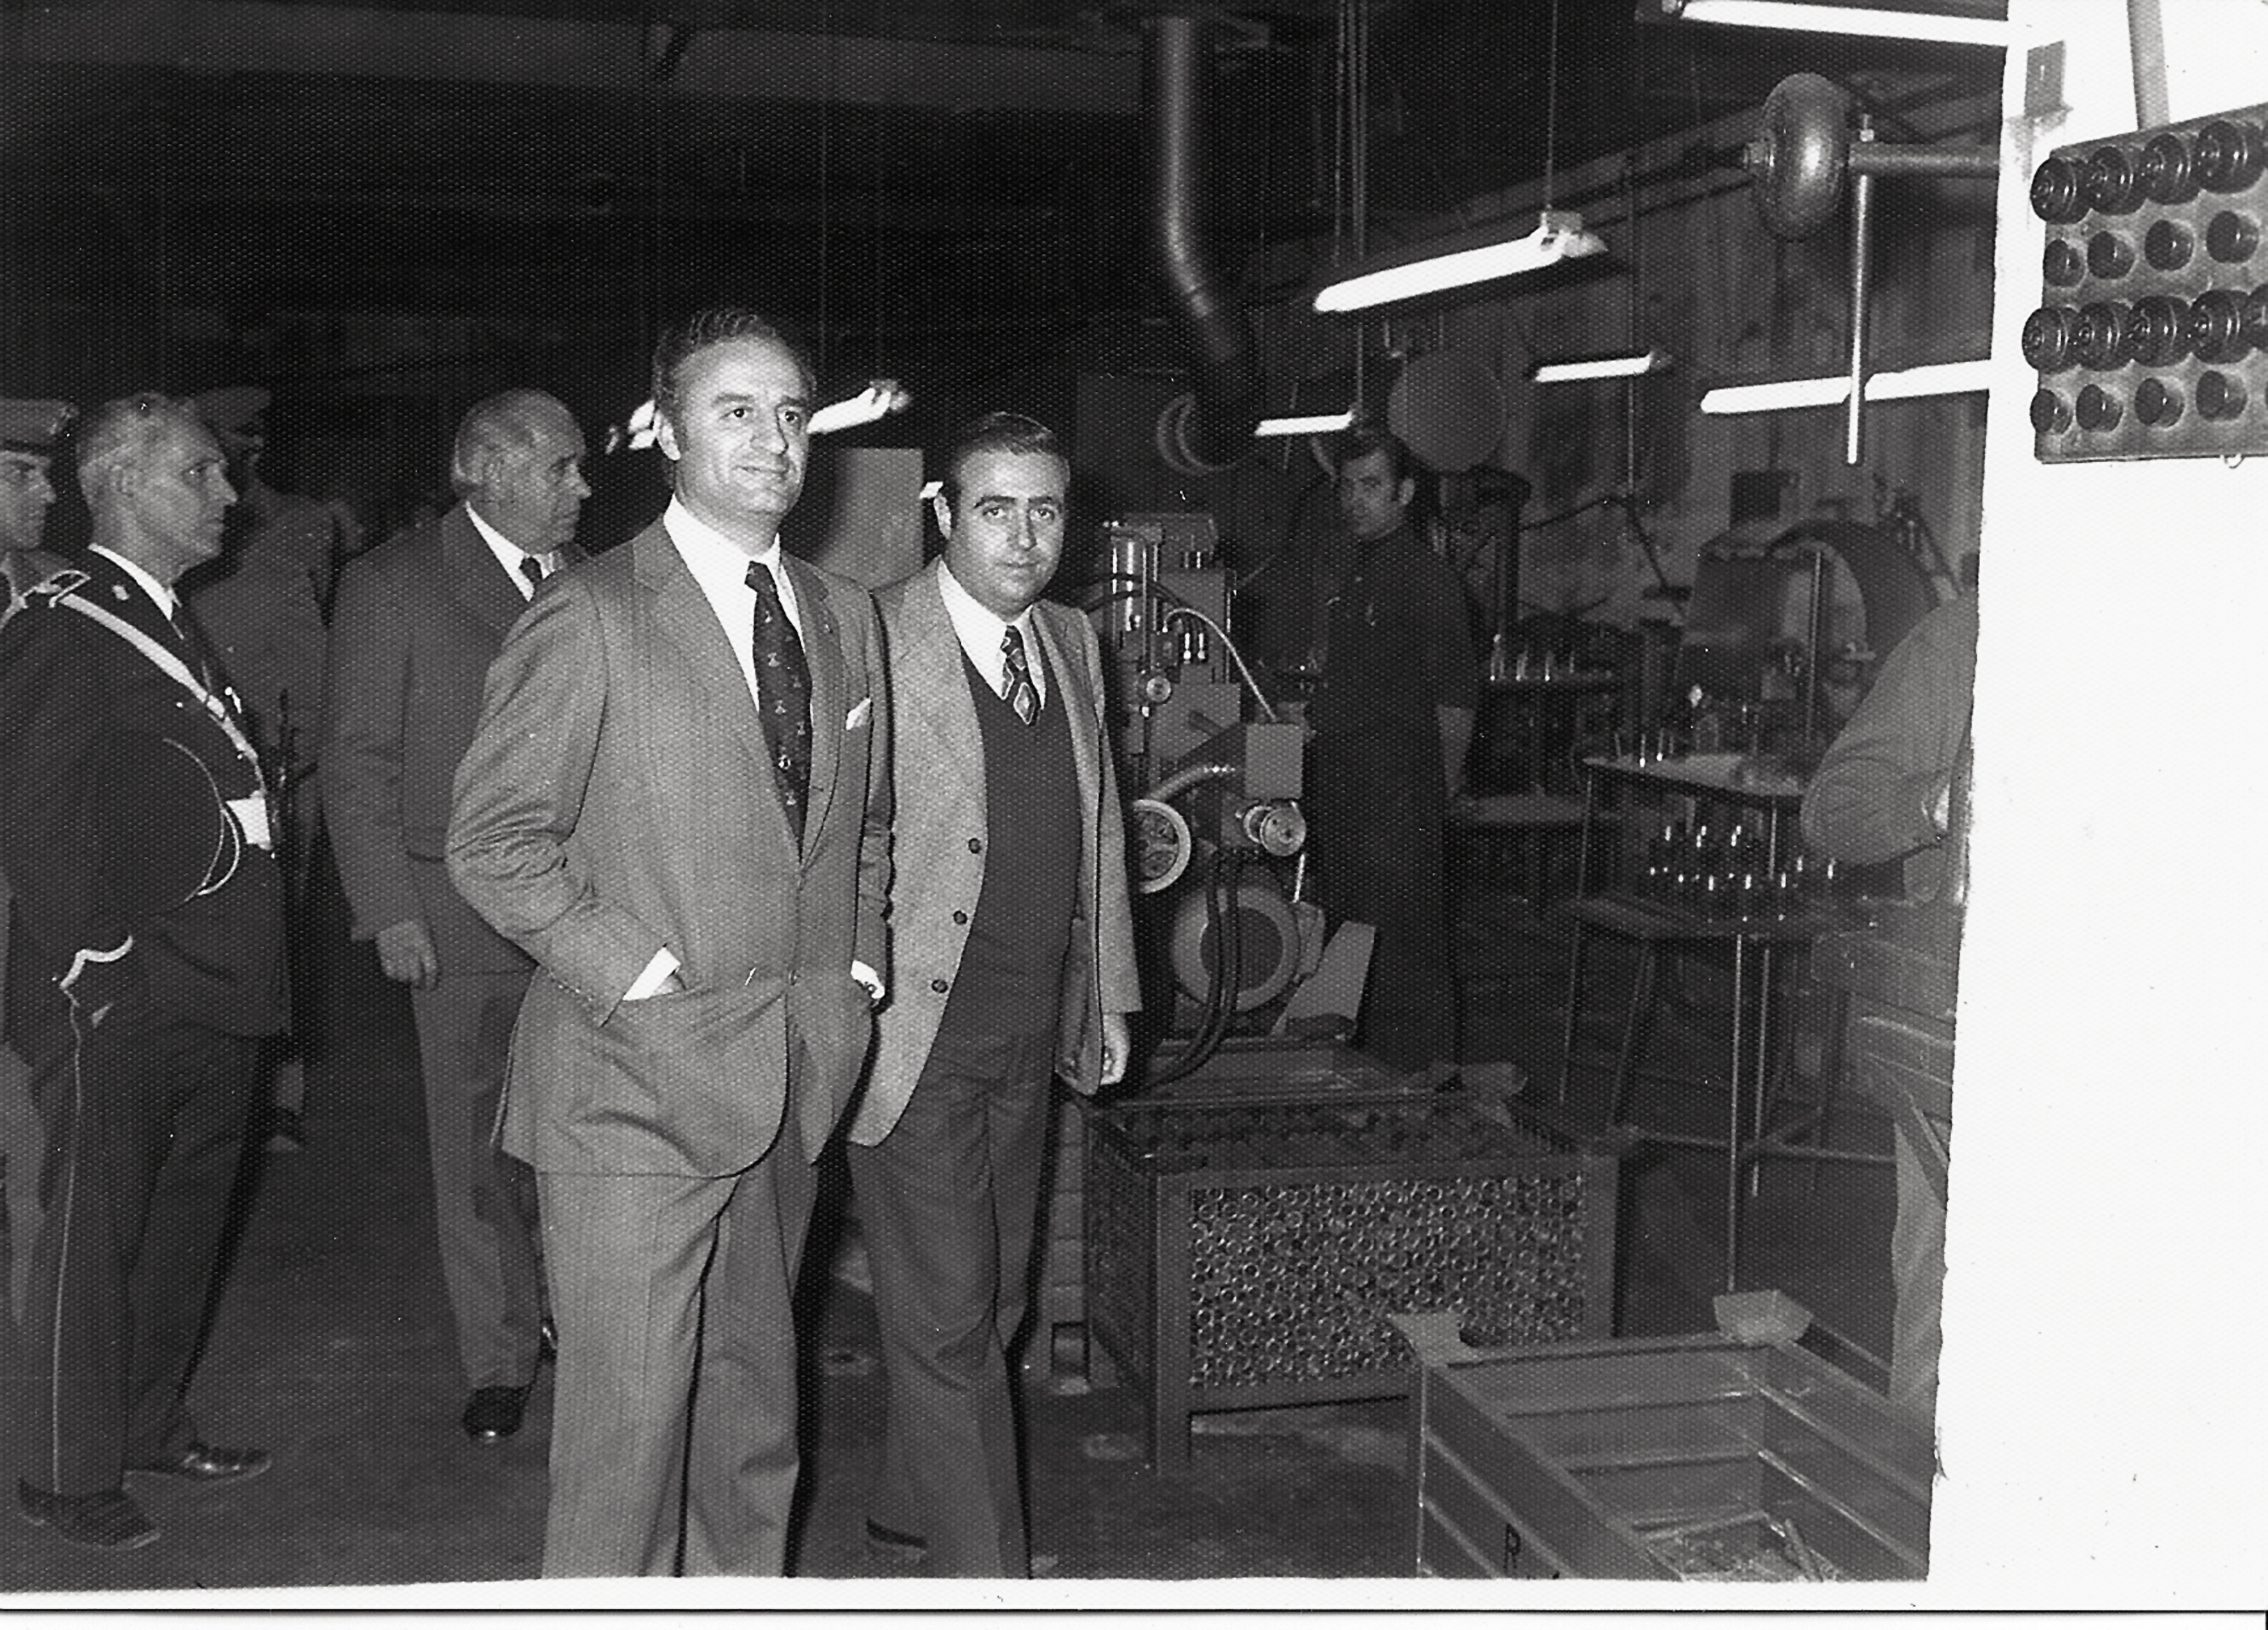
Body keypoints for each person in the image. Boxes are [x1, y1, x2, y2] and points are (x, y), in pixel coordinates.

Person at [446, 307, 892, 1577]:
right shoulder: (591, 613)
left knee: (754, 1424)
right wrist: (634, 970)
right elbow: (492, 840)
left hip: (790, 1069)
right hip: (631, 1087)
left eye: (792, 413)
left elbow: (866, 828)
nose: (772, 438)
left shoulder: (842, 614)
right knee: (626, 1446)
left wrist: (854, 966)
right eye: (735, 411)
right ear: (665, 435)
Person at [844, 412, 1140, 1577]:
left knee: (997, 1298)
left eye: (1045, 510)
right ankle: (987, 1579)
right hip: (911, 1036)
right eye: (995, 509)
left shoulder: (1070, 638)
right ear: (943, 514)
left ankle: (907, 1503)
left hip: (1030, 1028)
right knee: (949, 1317)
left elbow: (1100, 825)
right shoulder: (872, 636)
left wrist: (1106, 995)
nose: (1023, 538)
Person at [0, 391, 285, 1552]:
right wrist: (96, 966)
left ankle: (148, 1422)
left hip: (214, 974)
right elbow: (36, 818)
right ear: (121, 483)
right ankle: (64, 1472)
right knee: (93, 1236)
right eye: (199, 474)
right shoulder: (66, 626)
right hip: (124, 987)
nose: (227, 495)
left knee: (181, 1225)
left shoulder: (164, 616)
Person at [322, 389, 591, 1446]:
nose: (581, 487)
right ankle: (499, 1356)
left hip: (585, 914)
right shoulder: (393, 582)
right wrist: (389, 908)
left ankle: (582, 1319)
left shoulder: (590, 578)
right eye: (561, 467)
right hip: (458, 914)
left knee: (580, 1138)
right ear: (487, 467)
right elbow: (357, 759)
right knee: (478, 1154)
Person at [1800, 588, 1976, 1426]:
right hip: (1966, 1023)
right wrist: (1944, 798)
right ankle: (1914, 1486)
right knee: (1947, 1295)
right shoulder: (1967, 636)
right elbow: (1833, 808)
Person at [182, 386, 351, 1152]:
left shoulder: (297, 528)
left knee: (277, 932)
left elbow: (313, 667)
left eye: (238, 448)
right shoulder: (177, 544)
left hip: (283, 766)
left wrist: (294, 759)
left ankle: (278, 1094)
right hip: (194, 768)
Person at [1299, 427, 1481, 1071]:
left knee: (1406, 951)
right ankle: (1365, 1081)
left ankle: (1423, 1088)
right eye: (1347, 487)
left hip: (1400, 797)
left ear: (1404, 492)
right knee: (1353, 942)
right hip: (1348, 792)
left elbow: (1456, 699)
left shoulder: (1426, 579)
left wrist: (1439, 787)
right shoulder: (1359, 573)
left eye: (1371, 486)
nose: (1356, 500)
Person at [0, 398, 76, 1328]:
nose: (49, 493)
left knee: (42, 1146)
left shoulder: (61, 589)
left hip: (40, 932)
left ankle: (38, 1356)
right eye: (22, 474)